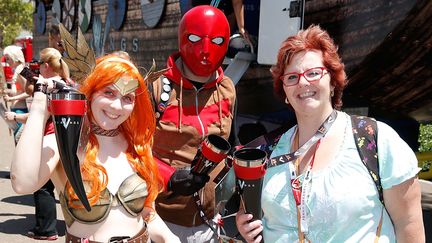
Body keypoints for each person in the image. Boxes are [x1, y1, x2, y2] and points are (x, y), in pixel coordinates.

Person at [235, 25, 425, 242]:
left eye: (314, 73)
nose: (303, 82)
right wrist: (249, 229)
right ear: (285, 92)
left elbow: (408, 222)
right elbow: (266, 221)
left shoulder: (375, 140)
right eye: (292, 77)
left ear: (333, 82)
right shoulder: (268, 152)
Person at [10, 54, 180, 242]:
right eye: (109, 93)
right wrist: (40, 107)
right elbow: (22, 183)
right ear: (90, 92)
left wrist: (169, 238)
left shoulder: (137, 145)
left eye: (128, 98)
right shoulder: (66, 143)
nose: (117, 106)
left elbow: (147, 213)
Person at [151, 5, 236, 242]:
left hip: (209, 222)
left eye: (217, 41)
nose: (205, 51)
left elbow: (232, 144)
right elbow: (130, 152)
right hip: (159, 220)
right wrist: (168, 176)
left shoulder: (228, 90)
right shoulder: (156, 89)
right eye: (195, 38)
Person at [2, 45, 29, 142]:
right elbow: (19, 91)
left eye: (8, 59)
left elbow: (29, 92)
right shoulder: (17, 70)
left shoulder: (22, 70)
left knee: (19, 142)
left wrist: (11, 99)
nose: (7, 62)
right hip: (15, 111)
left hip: (20, 112)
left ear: (15, 57)